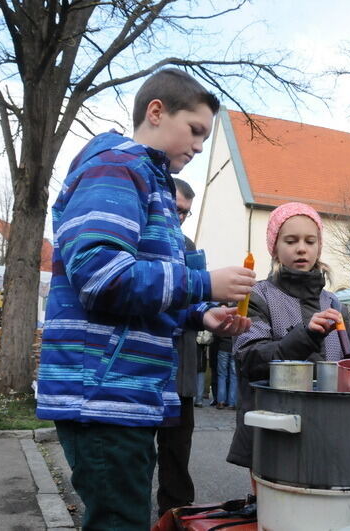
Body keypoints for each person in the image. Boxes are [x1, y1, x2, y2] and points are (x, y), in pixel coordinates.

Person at [36, 68, 255, 530]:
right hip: (101, 395)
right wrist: (204, 285)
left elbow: (143, 289)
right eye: (194, 131)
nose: (198, 146)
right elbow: (100, 277)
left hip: (122, 393)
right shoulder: (116, 167)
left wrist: (202, 315)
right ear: (156, 112)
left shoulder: (147, 181)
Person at [228, 202, 350, 473]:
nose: (301, 248)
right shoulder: (257, 296)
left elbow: (348, 362)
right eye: (291, 240)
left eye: (310, 241)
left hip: (328, 429)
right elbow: (250, 359)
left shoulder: (335, 303)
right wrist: (305, 335)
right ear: (274, 247)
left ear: (319, 246)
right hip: (273, 425)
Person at [154, 177, 201, 516]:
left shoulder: (188, 246)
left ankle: (175, 509)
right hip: (147, 363)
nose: (180, 217)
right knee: (139, 449)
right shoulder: (144, 238)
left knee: (177, 446)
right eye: (176, 209)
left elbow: (198, 299)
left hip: (181, 365)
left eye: (186, 212)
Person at [215, 334, 237, 409]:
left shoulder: (223, 321)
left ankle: (221, 402)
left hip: (223, 347)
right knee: (234, 376)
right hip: (234, 347)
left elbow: (216, 333)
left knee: (222, 375)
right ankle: (232, 403)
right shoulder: (238, 321)